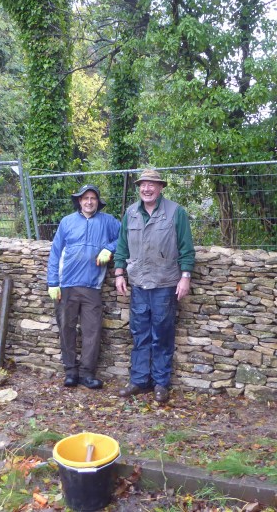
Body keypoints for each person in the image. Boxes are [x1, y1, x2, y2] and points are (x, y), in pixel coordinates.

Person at [113, 169, 195, 403]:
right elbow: (122, 246)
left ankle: (160, 383)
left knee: (162, 335)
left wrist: (185, 276)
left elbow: (186, 248)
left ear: (160, 188)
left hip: (165, 283)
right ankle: (139, 380)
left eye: (151, 185)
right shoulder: (131, 213)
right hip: (138, 283)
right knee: (139, 334)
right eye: (143, 185)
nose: (146, 189)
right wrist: (119, 273)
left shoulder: (175, 212)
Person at [47, 184, 121, 389]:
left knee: (92, 331)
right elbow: (55, 253)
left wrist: (109, 248)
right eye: (85, 198)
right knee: (66, 328)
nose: (89, 202)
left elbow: (125, 237)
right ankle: (70, 371)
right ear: (79, 201)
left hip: (92, 286)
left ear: (98, 202)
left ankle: (87, 374)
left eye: (93, 198)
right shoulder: (67, 222)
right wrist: (53, 282)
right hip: (66, 285)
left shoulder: (108, 221)